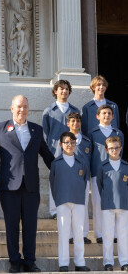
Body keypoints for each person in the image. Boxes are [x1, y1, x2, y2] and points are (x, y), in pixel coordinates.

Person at [0, 95, 54, 273]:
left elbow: (46, 154)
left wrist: (61, 167)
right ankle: (14, 261)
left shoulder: (36, 130)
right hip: (9, 186)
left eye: (24, 107)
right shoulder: (1, 128)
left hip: (31, 186)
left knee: (30, 225)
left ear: (28, 109)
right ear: (12, 108)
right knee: (12, 225)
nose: (22, 110)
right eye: (18, 107)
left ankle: (30, 261)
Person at [50, 132, 90, 272]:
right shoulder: (56, 163)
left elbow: (84, 181)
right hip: (62, 201)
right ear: (61, 144)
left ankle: (80, 262)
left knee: (79, 233)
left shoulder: (81, 162)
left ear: (75, 144)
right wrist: (58, 199)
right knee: (63, 233)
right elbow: (53, 183)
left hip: (78, 201)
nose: (70, 145)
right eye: (67, 142)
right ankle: (63, 263)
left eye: (72, 142)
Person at [42, 80, 80, 219]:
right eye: (61, 89)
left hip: (72, 150)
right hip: (55, 151)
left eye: (66, 89)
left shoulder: (75, 110)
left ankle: (71, 206)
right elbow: (46, 134)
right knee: (56, 179)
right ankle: (54, 209)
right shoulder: (49, 111)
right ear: (55, 91)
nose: (64, 91)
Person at [55, 112, 92, 244]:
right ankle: (70, 235)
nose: (75, 124)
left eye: (78, 121)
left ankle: (83, 234)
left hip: (83, 178)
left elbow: (90, 160)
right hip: (67, 178)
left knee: (83, 205)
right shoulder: (64, 140)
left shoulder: (87, 141)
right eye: (72, 121)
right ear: (68, 123)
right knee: (68, 205)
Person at [90, 104, 124, 244]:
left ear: (113, 116)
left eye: (109, 113)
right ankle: (99, 233)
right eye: (104, 113)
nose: (107, 115)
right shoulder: (92, 133)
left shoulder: (118, 133)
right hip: (97, 172)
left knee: (115, 203)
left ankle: (114, 234)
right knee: (98, 203)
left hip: (115, 172)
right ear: (98, 116)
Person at [97, 136, 128, 271]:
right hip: (108, 204)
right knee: (108, 235)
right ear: (106, 149)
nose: (114, 150)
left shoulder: (126, 166)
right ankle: (108, 262)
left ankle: (124, 261)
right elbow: (99, 185)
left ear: (120, 148)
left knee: (123, 235)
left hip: (123, 204)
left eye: (116, 148)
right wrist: (106, 197)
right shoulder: (103, 167)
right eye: (111, 148)